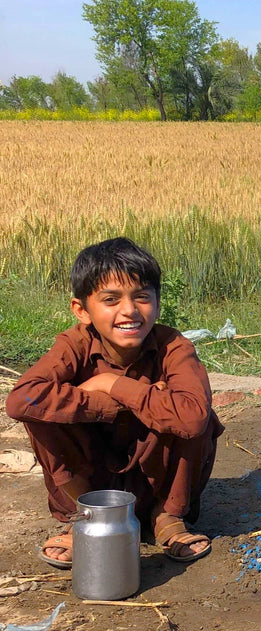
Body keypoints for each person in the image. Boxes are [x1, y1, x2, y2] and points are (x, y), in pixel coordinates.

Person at [6, 237, 223, 568]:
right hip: (93, 483)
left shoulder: (173, 347)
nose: (129, 311)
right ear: (82, 310)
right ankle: (87, 517)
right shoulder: (74, 345)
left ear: (158, 302)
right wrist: (123, 401)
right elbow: (23, 399)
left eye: (142, 297)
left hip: (158, 482)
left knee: (199, 416)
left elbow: (192, 417)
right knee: (41, 415)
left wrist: (113, 384)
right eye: (111, 299)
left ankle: (167, 517)